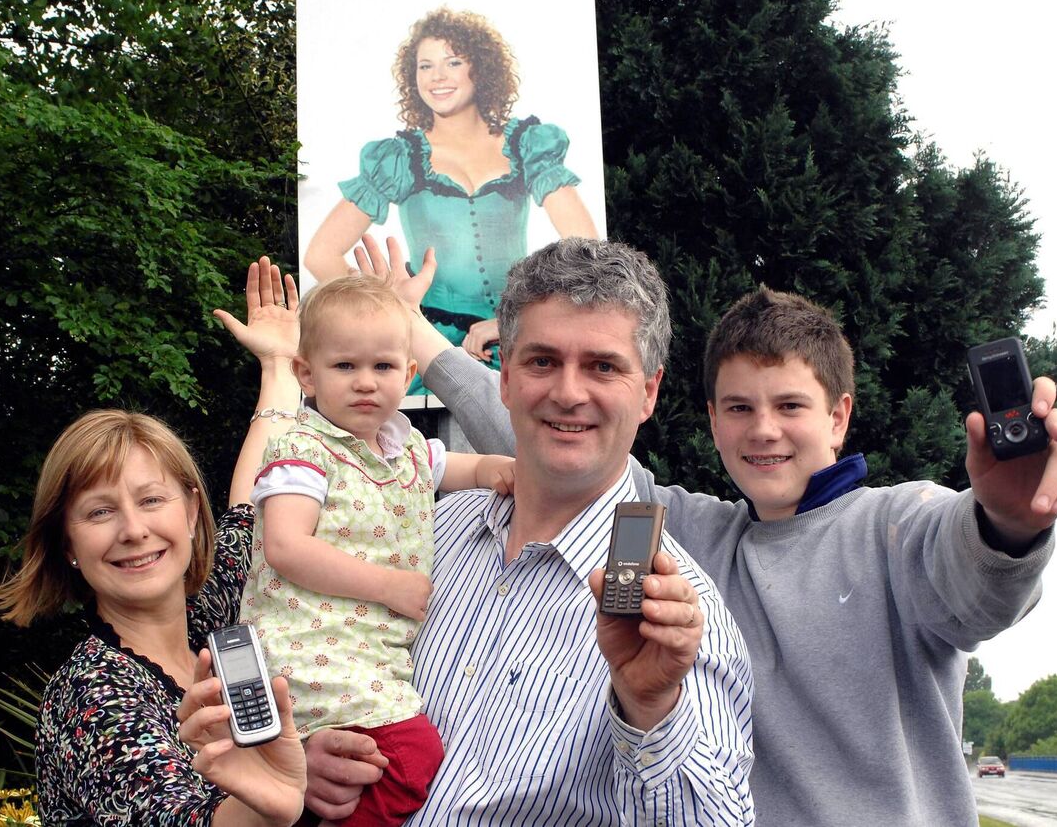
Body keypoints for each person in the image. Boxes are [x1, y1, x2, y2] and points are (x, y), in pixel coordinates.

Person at [365, 243, 1057, 825]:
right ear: (711, 419)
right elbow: (564, 439)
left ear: (838, 416)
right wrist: (419, 337)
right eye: (739, 407)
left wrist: (1008, 521)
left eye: (790, 405)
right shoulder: (691, 531)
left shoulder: (896, 524)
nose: (764, 428)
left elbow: (974, 585)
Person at [302, 238, 755, 826]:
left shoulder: (675, 622)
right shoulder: (428, 532)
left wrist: (651, 711)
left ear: (648, 392)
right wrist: (313, 751)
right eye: (543, 361)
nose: (568, 393)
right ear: (507, 379)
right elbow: (331, 649)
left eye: (603, 366)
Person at [0, 258, 310, 826]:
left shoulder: (211, 610)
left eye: (152, 500)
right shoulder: (93, 697)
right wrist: (268, 807)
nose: (133, 530)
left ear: (188, 509)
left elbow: (259, 494)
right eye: (100, 511)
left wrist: (279, 365)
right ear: (67, 544)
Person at [240, 276, 512, 826]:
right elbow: (285, 546)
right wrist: (388, 586)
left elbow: (457, 467)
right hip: (310, 648)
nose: (366, 383)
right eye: (345, 367)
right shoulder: (303, 448)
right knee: (412, 754)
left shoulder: (404, 445)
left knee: (372, 765)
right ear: (305, 374)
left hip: (367, 652)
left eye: (383, 367)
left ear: (409, 374)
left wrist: (500, 470)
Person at [303, 7, 597, 377]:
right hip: (430, 345)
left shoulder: (527, 144)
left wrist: (516, 319)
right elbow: (321, 254)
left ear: (482, 68)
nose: (437, 77)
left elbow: (586, 249)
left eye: (453, 62)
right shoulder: (400, 158)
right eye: (425, 66)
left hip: (516, 342)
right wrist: (390, 315)